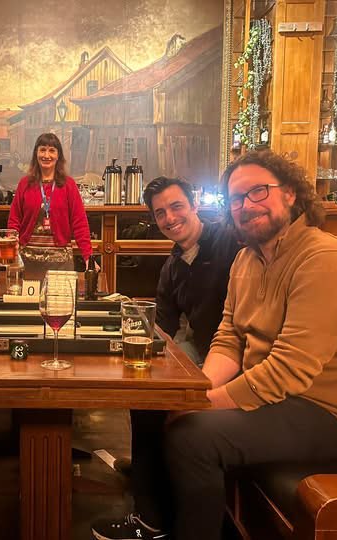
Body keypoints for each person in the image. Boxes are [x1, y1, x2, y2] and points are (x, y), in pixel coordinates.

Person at [160, 150, 337, 540]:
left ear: (290, 193)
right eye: (236, 199)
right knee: (171, 413)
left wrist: (205, 404)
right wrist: (197, 392)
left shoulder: (324, 258)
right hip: (284, 398)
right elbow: (229, 338)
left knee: (192, 437)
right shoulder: (245, 261)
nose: (246, 205)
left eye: (258, 191)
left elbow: (290, 369)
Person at [91, 178, 241, 540]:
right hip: (207, 353)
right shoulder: (172, 265)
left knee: (151, 401)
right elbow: (163, 328)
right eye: (160, 213)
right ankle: (149, 474)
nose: (170, 218)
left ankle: (150, 518)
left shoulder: (229, 242)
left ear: (194, 205)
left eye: (176, 207)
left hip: (237, 359)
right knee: (144, 390)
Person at [7, 132, 95, 280]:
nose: (46, 155)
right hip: (27, 262)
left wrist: (88, 257)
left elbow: (80, 223)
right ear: (36, 153)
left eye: (52, 150)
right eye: (42, 150)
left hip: (61, 263)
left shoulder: (69, 185)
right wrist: (12, 247)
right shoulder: (24, 184)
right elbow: (14, 220)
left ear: (58, 155)